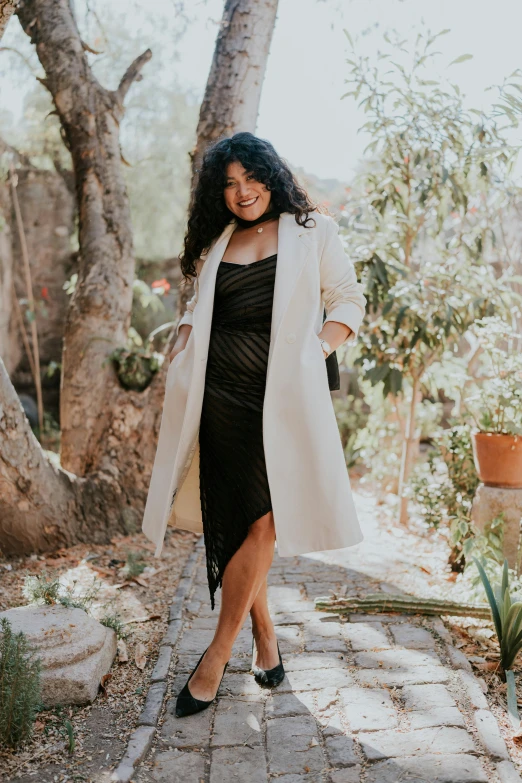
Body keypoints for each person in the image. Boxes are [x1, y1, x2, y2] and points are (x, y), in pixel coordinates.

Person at [141, 131, 367, 718]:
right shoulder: (220, 239)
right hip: (219, 399)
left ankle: (215, 656)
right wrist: (184, 341)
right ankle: (266, 644)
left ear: (271, 174)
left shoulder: (312, 231)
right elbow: (199, 307)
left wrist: (315, 352)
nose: (242, 193)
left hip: (280, 400)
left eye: (251, 179)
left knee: (264, 521)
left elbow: (347, 299)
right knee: (245, 523)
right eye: (230, 185)